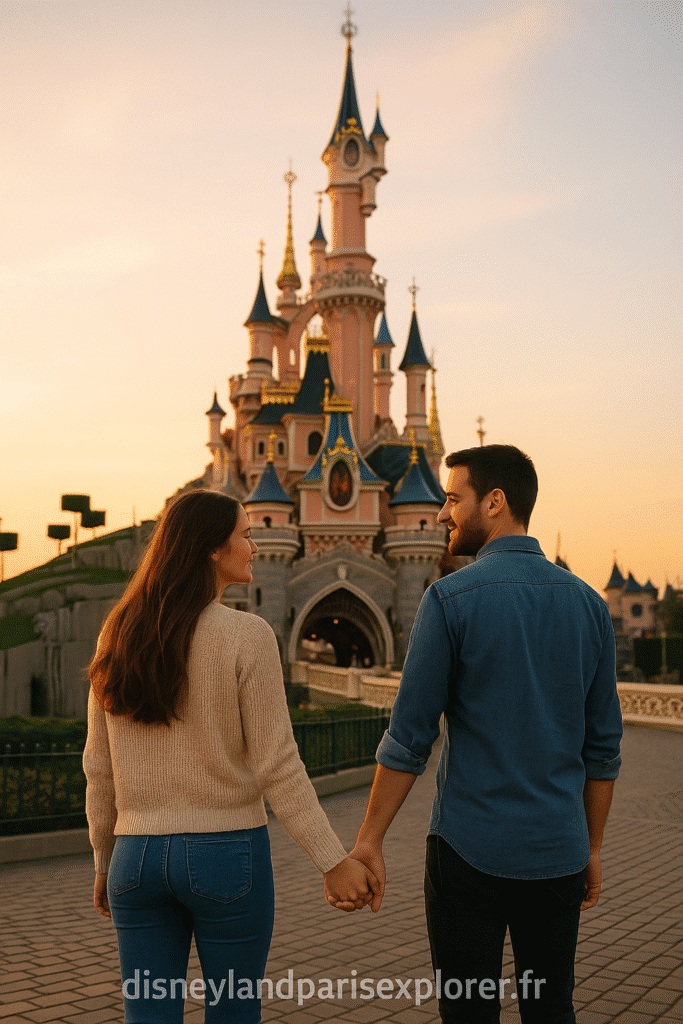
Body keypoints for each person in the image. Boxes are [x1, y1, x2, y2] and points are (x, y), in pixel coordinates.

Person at [329, 444, 623, 1024]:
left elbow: (409, 737)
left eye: (453, 498)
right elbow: (603, 751)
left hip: (469, 857)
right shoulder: (589, 606)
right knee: (549, 1009)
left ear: (495, 502)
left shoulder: (448, 599)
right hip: (558, 855)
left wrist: (369, 840)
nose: (441, 514)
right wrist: (590, 848)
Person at [84, 488, 377, 1024]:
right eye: (245, 533)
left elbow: (98, 766)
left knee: (147, 1016)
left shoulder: (118, 630)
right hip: (226, 856)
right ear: (211, 548)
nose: (256, 545)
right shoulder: (247, 636)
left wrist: (104, 859)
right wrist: (333, 861)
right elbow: (278, 764)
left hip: (136, 860)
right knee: (233, 1013)